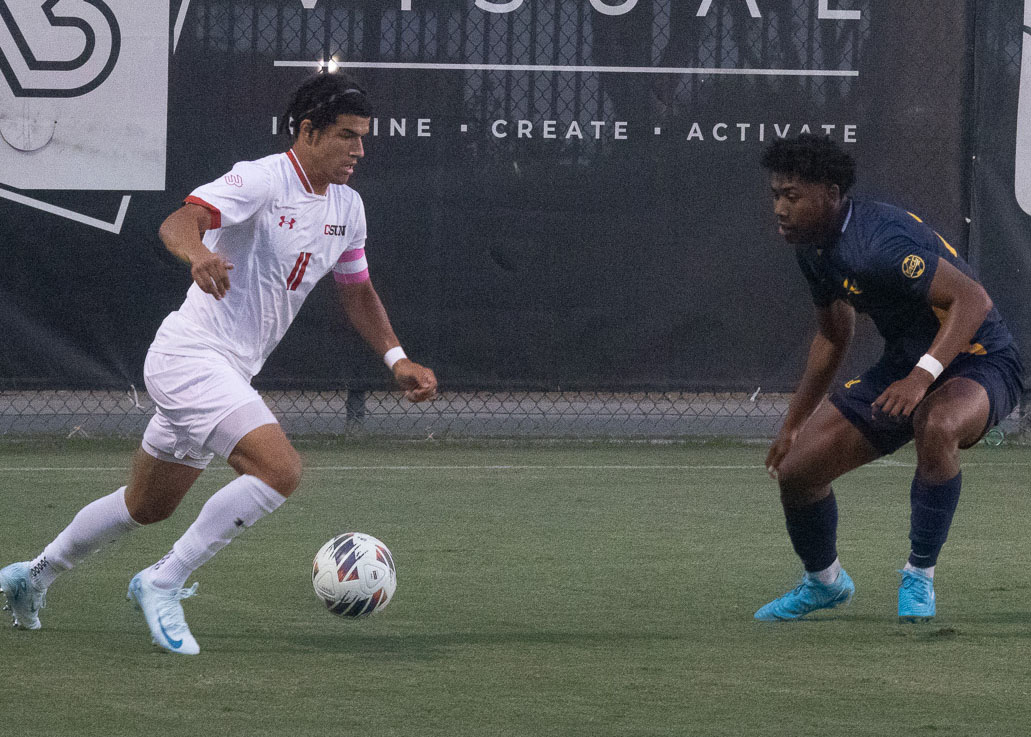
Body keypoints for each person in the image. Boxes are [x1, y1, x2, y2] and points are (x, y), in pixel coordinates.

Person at [0, 73, 437, 654]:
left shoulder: (349, 207)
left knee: (146, 506)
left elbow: (356, 289)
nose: (359, 149)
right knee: (279, 471)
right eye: (346, 136)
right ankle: (162, 581)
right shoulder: (261, 178)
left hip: (229, 370)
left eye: (363, 137)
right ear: (307, 132)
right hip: (189, 357)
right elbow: (178, 222)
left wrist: (396, 357)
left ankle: (32, 575)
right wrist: (199, 251)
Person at [754, 134, 1023, 623]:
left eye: (792, 196)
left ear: (831, 193)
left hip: (979, 358)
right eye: (776, 195)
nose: (780, 207)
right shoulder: (814, 250)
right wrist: (794, 422)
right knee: (797, 471)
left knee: (937, 424)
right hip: (906, 365)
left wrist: (922, 378)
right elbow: (833, 338)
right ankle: (824, 584)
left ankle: (919, 576)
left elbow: (973, 301)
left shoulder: (880, 242)